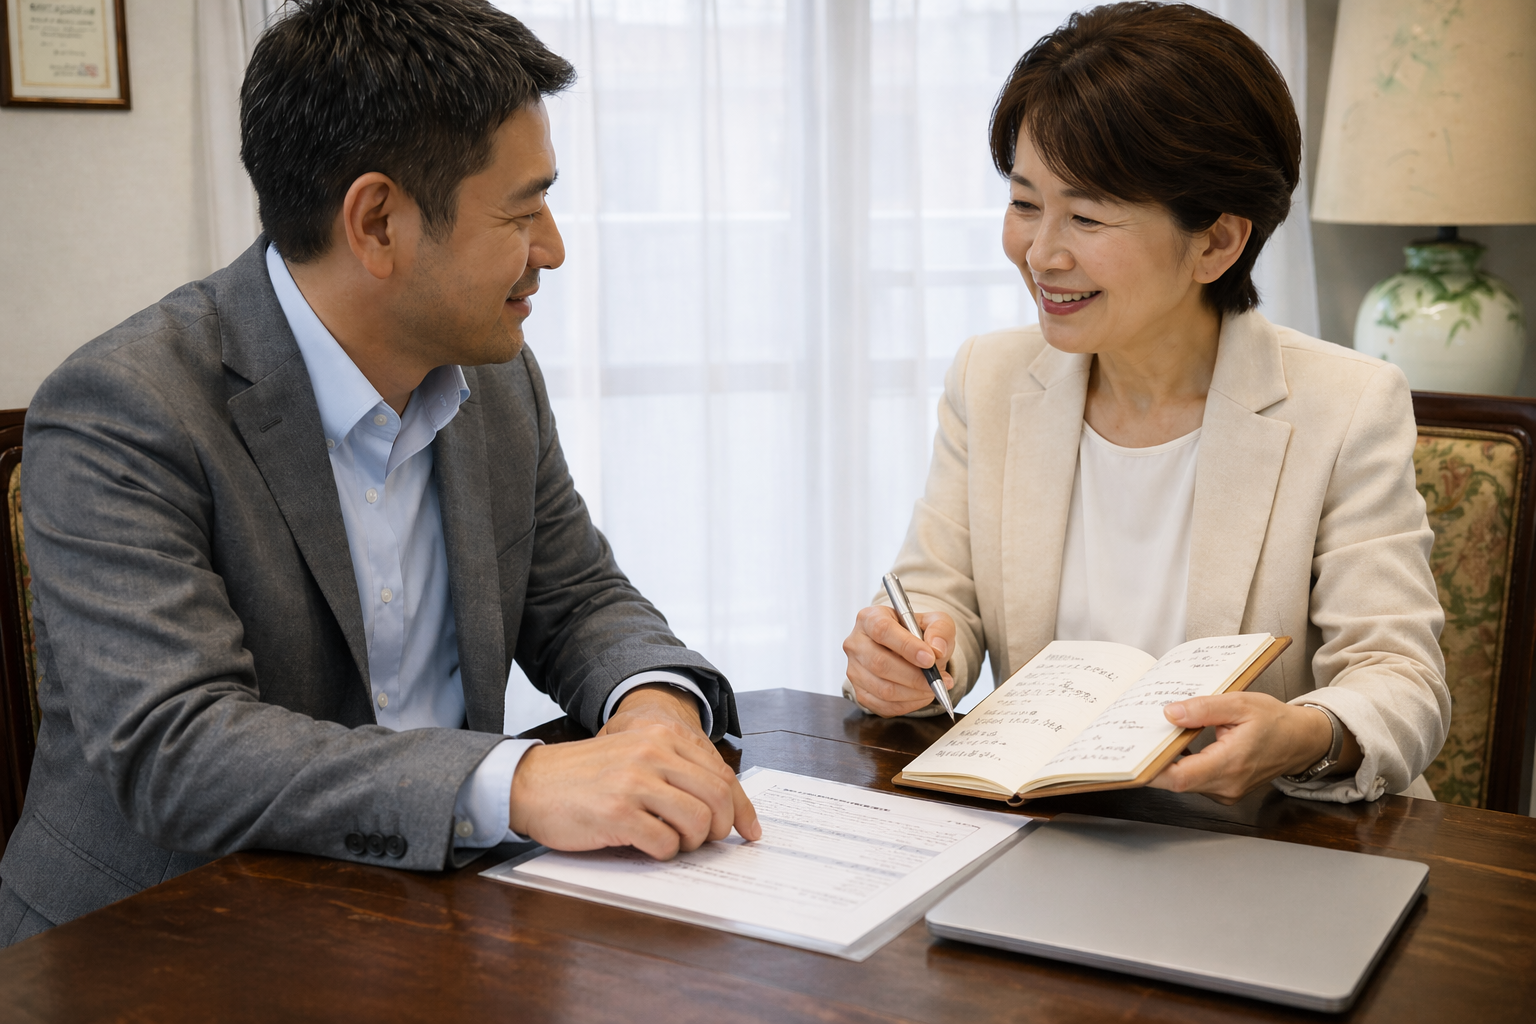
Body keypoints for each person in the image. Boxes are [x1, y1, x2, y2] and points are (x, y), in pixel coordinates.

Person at [0, 0, 759, 946]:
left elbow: (575, 596)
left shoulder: (495, 375)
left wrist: (652, 706)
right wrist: (518, 782)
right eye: (523, 211)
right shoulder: (124, 407)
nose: (553, 250)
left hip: (423, 920)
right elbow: (178, 749)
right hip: (163, 942)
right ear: (377, 221)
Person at [842, 2, 1449, 805]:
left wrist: (1303, 735)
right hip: (1050, 835)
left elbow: (1399, 677)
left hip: (1271, 843)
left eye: (1087, 216)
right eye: (1025, 203)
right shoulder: (990, 379)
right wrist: (907, 661)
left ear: (1217, 242)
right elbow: (935, 600)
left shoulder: (1346, 406)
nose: (1041, 253)